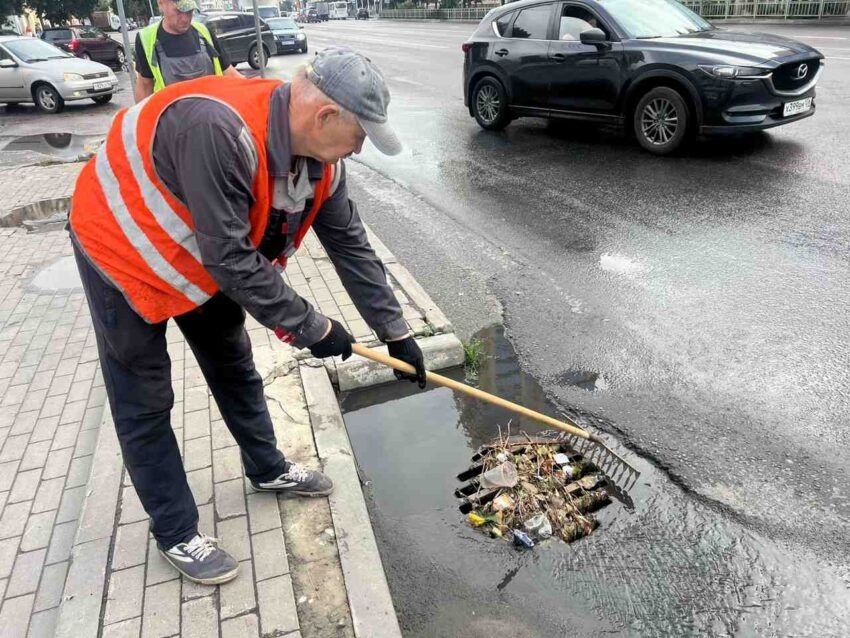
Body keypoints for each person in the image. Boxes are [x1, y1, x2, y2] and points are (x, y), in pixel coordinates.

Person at [69, 47, 426, 585]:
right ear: (326, 117)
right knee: (145, 397)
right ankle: (175, 531)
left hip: (202, 256)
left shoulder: (322, 167)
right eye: (358, 137)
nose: (356, 151)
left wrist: (396, 333)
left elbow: (351, 246)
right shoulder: (219, 130)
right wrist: (313, 326)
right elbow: (233, 259)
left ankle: (268, 468)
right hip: (123, 252)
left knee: (233, 363)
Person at [134, 0, 242, 101]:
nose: (185, 19)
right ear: (161, 3)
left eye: (189, 11)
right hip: (172, 120)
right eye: (178, 11)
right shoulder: (146, 39)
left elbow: (230, 73)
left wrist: (256, 89)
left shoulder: (204, 32)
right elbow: (145, 86)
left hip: (210, 118)